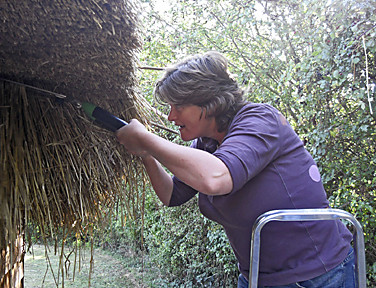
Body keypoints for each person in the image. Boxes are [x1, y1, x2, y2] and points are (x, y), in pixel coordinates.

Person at [116, 51, 356, 287]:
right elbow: (172, 194)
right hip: (257, 276)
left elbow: (216, 177)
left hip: (318, 275)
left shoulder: (261, 120)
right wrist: (147, 155)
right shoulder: (206, 144)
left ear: (209, 102)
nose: (170, 116)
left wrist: (146, 139)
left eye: (178, 106)